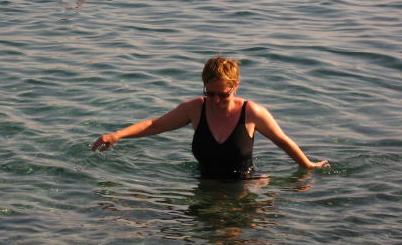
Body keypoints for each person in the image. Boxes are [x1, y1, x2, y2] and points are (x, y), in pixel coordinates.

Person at [92, 56, 330, 178]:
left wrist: (308, 167)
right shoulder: (195, 109)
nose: (215, 100)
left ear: (236, 86)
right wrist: (117, 135)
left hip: (244, 182)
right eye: (210, 93)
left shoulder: (252, 112)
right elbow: (155, 125)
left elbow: (282, 141)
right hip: (204, 180)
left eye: (222, 95)